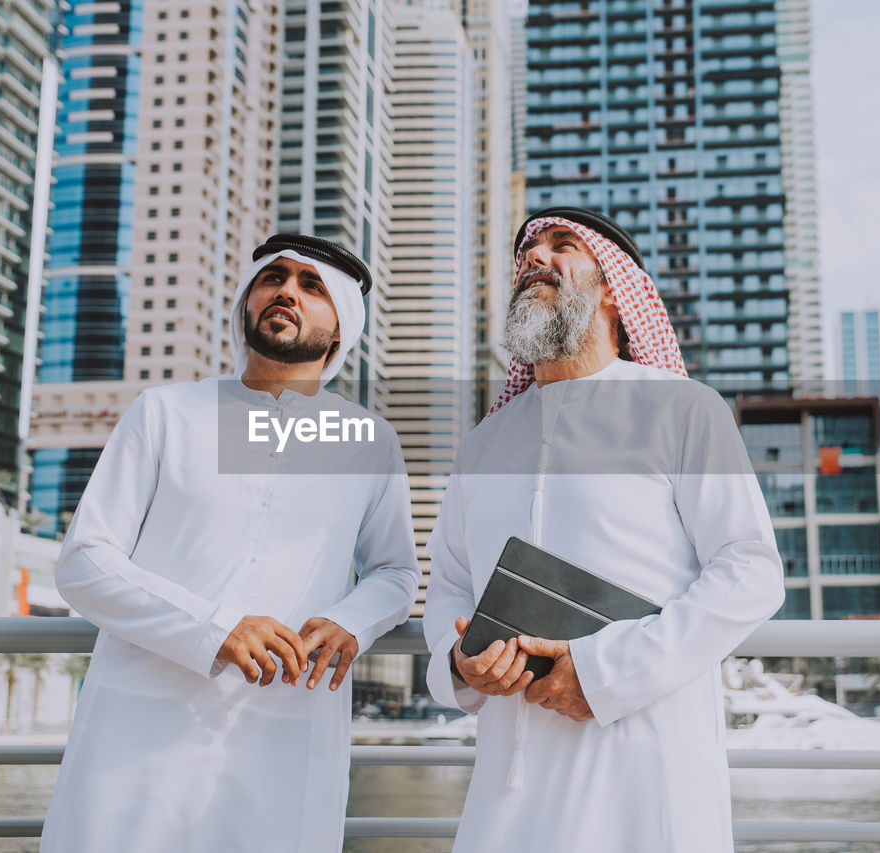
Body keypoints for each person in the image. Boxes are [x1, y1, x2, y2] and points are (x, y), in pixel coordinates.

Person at [41, 234, 420, 852]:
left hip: (287, 728)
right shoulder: (164, 412)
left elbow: (396, 573)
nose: (286, 292)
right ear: (245, 305)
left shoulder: (369, 441)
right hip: (139, 735)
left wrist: (351, 619)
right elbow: (84, 564)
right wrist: (214, 627)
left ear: (338, 334)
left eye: (310, 285)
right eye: (273, 279)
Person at [423, 207, 785, 851]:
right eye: (528, 253)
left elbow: (751, 569)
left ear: (617, 291)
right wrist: (460, 662)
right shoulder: (483, 444)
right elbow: (450, 586)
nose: (536, 258)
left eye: (562, 246)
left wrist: (603, 672)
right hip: (510, 775)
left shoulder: (682, 409)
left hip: (644, 764)